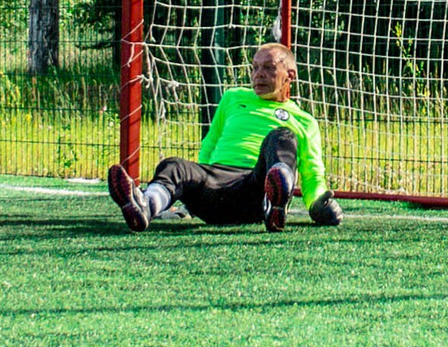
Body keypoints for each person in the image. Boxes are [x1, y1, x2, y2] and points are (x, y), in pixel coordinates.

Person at [107, 42, 339, 232]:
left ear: (290, 75)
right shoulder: (232, 98)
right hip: (214, 185)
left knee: (281, 137)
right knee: (174, 166)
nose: (259, 75)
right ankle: (145, 207)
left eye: (268, 68)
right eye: (255, 68)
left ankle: (274, 204)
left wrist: (318, 203)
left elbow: (312, 173)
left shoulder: (304, 120)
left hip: (255, 187)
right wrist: (196, 184)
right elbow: (210, 143)